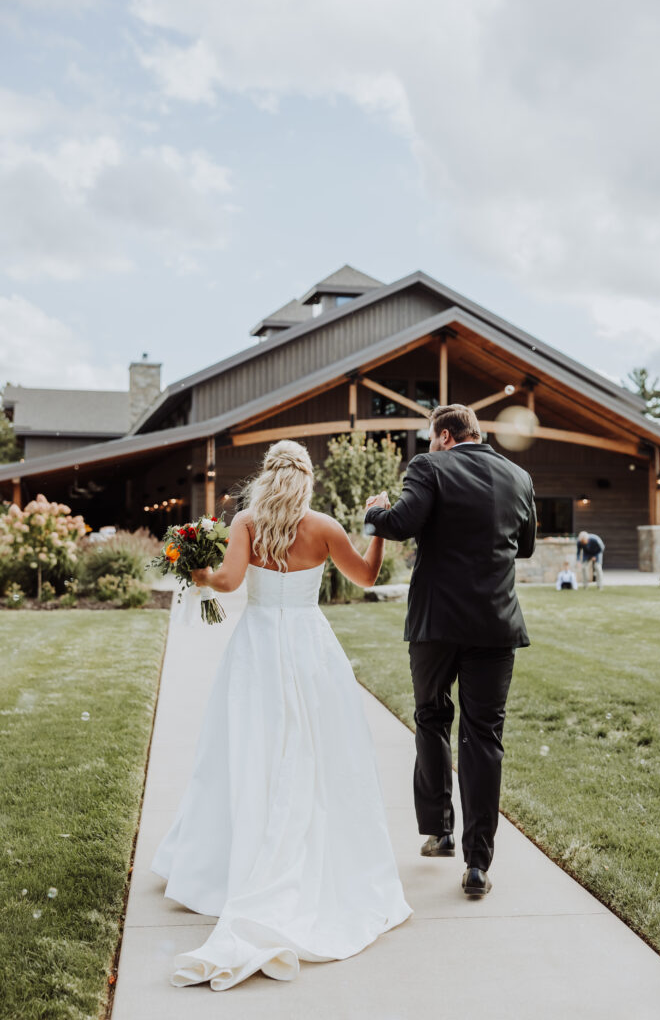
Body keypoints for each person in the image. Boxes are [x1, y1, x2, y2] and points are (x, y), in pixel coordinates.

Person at [151, 440, 410, 991]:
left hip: (258, 649)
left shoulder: (247, 521)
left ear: (268, 475)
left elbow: (226, 584)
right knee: (318, 750)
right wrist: (380, 526)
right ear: (307, 477)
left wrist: (193, 569)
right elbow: (365, 577)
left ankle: (228, 861)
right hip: (310, 648)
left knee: (246, 748)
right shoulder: (324, 527)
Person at [364, 404, 536, 898]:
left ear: (443, 436)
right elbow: (523, 546)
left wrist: (375, 510)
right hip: (496, 626)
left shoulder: (428, 466)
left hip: (435, 624)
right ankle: (478, 862)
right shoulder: (519, 476)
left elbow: (398, 524)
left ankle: (439, 831)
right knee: (484, 737)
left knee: (432, 717)